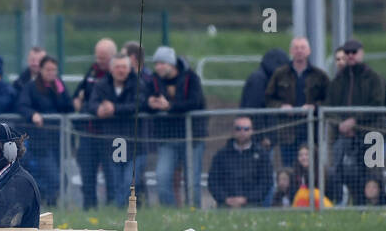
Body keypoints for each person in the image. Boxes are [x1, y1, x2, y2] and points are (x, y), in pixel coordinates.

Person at [324, 38, 386, 204]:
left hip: (369, 134)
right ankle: (355, 208)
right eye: (347, 53)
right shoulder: (338, 80)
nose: (350, 56)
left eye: (354, 52)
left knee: (373, 176)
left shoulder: (373, 78)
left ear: (361, 53)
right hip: (345, 138)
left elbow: (377, 103)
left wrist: (354, 121)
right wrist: (341, 124)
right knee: (349, 176)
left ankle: (379, 208)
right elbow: (328, 108)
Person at [144, 45, 206, 207]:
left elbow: (195, 102)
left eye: (162, 63)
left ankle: (194, 213)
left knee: (192, 180)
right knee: (162, 176)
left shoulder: (191, 78)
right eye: (156, 64)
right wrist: (150, 104)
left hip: (192, 137)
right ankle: (171, 214)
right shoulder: (154, 81)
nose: (158, 67)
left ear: (171, 64)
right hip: (167, 138)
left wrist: (169, 106)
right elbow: (143, 100)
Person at [85, 52, 142, 204]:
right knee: (114, 181)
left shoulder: (138, 84)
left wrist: (114, 109)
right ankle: (117, 212)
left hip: (135, 142)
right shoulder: (101, 84)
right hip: (111, 141)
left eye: (124, 67)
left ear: (129, 68)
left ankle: (130, 212)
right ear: (111, 69)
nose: (121, 70)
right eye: (117, 67)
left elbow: (139, 105)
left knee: (128, 181)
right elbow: (91, 104)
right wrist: (98, 110)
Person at [16, 55, 70, 206]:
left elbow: (68, 107)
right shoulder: (31, 87)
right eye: (48, 69)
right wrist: (33, 114)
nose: (51, 73)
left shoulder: (58, 86)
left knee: (60, 178)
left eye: (54, 70)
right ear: (41, 70)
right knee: (54, 178)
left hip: (58, 140)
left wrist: (61, 92)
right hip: (41, 142)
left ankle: (50, 205)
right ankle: (46, 204)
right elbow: (22, 105)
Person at [264, 37, 327, 166]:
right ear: (291, 51)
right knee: (289, 169)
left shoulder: (319, 75)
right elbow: (268, 98)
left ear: (309, 51)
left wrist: (314, 107)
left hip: (311, 133)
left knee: (312, 169)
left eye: (302, 47)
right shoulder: (279, 74)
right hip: (287, 133)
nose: (299, 51)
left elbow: (330, 100)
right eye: (296, 48)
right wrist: (281, 107)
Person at [72, 38, 116, 208]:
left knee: (111, 175)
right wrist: (77, 101)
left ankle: (113, 209)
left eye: (103, 58)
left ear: (112, 57)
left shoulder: (116, 75)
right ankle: (89, 209)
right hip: (88, 134)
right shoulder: (91, 73)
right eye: (97, 57)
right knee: (87, 175)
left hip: (108, 135)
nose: (99, 61)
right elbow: (78, 95)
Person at [207, 116, 270, 208]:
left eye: (246, 129)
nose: (242, 132)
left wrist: (246, 199)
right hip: (226, 204)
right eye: (238, 129)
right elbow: (213, 181)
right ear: (233, 131)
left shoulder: (262, 155)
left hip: (252, 204)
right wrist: (225, 199)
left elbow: (266, 182)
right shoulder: (221, 155)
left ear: (252, 131)